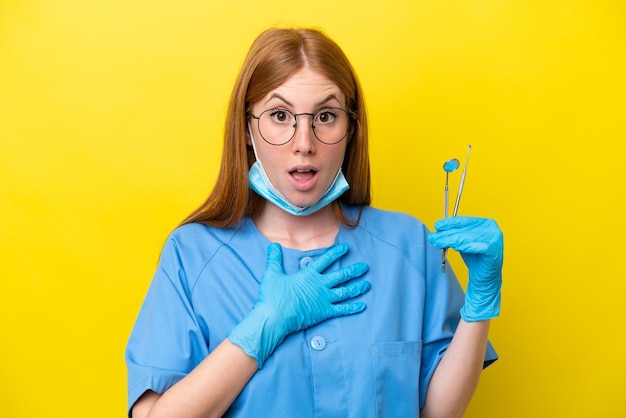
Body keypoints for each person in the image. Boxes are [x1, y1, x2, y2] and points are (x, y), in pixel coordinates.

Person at [125, 27, 503, 418]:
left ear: (351, 128)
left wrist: (479, 306)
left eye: (325, 116)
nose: (304, 141)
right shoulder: (192, 254)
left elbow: (438, 412)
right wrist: (261, 328)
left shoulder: (409, 246)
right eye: (279, 115)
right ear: (247, 130)